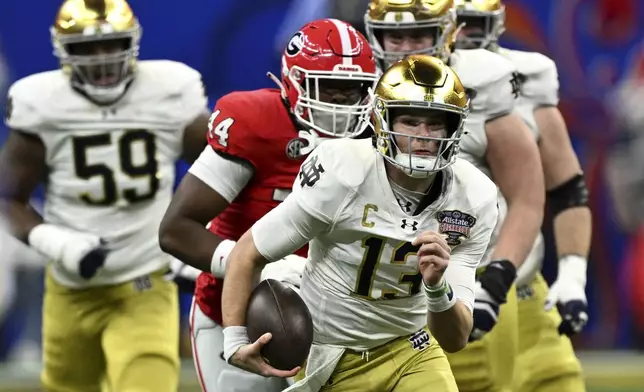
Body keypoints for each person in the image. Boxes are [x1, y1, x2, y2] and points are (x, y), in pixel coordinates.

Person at [221, 55, 499, 392]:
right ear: (383, 121)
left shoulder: (474, 198)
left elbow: (455, 339)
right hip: (332, 353)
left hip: (411, 347)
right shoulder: (342, 174)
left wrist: (438, 288)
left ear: (455, 127)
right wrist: (235, 340)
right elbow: (249, 252)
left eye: (436, 123)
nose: (423, 136)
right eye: (410, 121)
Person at [158, 18, 379, 392]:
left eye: (352, 89)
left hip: (339, 320)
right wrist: (263, 265)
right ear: (293, 82)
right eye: (327, 89)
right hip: (242, 312)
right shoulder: (256, 124)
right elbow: (177, 230)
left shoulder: (380, 135)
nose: (341, 103)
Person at [0, 0, 210, 390]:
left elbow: (220, 175)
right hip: (70, 287)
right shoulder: (41, 102)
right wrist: (59, 243)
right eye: (85, 48)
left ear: (132, 43)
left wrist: (199, 245)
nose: (100, 59)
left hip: (146, 280)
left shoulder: (169, 91)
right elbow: (8, 197)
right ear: (63, 50)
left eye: (111, 45)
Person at [363, 1, 546, 391]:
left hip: (467, 273)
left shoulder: (483, 84)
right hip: (375, 285)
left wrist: (494, 284)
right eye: (395, 35)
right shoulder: (355, 87)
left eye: (419, 34)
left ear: (447, 32)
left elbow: (527, 197)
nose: (406, 48)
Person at [454, 1, 592, 391]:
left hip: (522, 286)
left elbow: (566, 187)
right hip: (449, 287)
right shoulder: (401, 91)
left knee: (559, 379)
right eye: (456, 25)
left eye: (473, 25)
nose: (463, 37)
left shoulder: (525, 79)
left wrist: (572, 274)